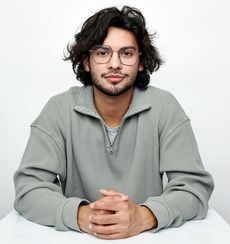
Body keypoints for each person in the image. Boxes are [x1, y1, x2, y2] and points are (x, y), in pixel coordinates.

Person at [14, 5, 214, 240]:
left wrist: (143, 216)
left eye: (127, 53)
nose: (114, 64)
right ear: (87, 62)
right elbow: (28, 189)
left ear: (141, 61)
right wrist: (84, 215)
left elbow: (195, 188)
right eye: (102, 52)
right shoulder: (58, 110)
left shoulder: (165, 107)